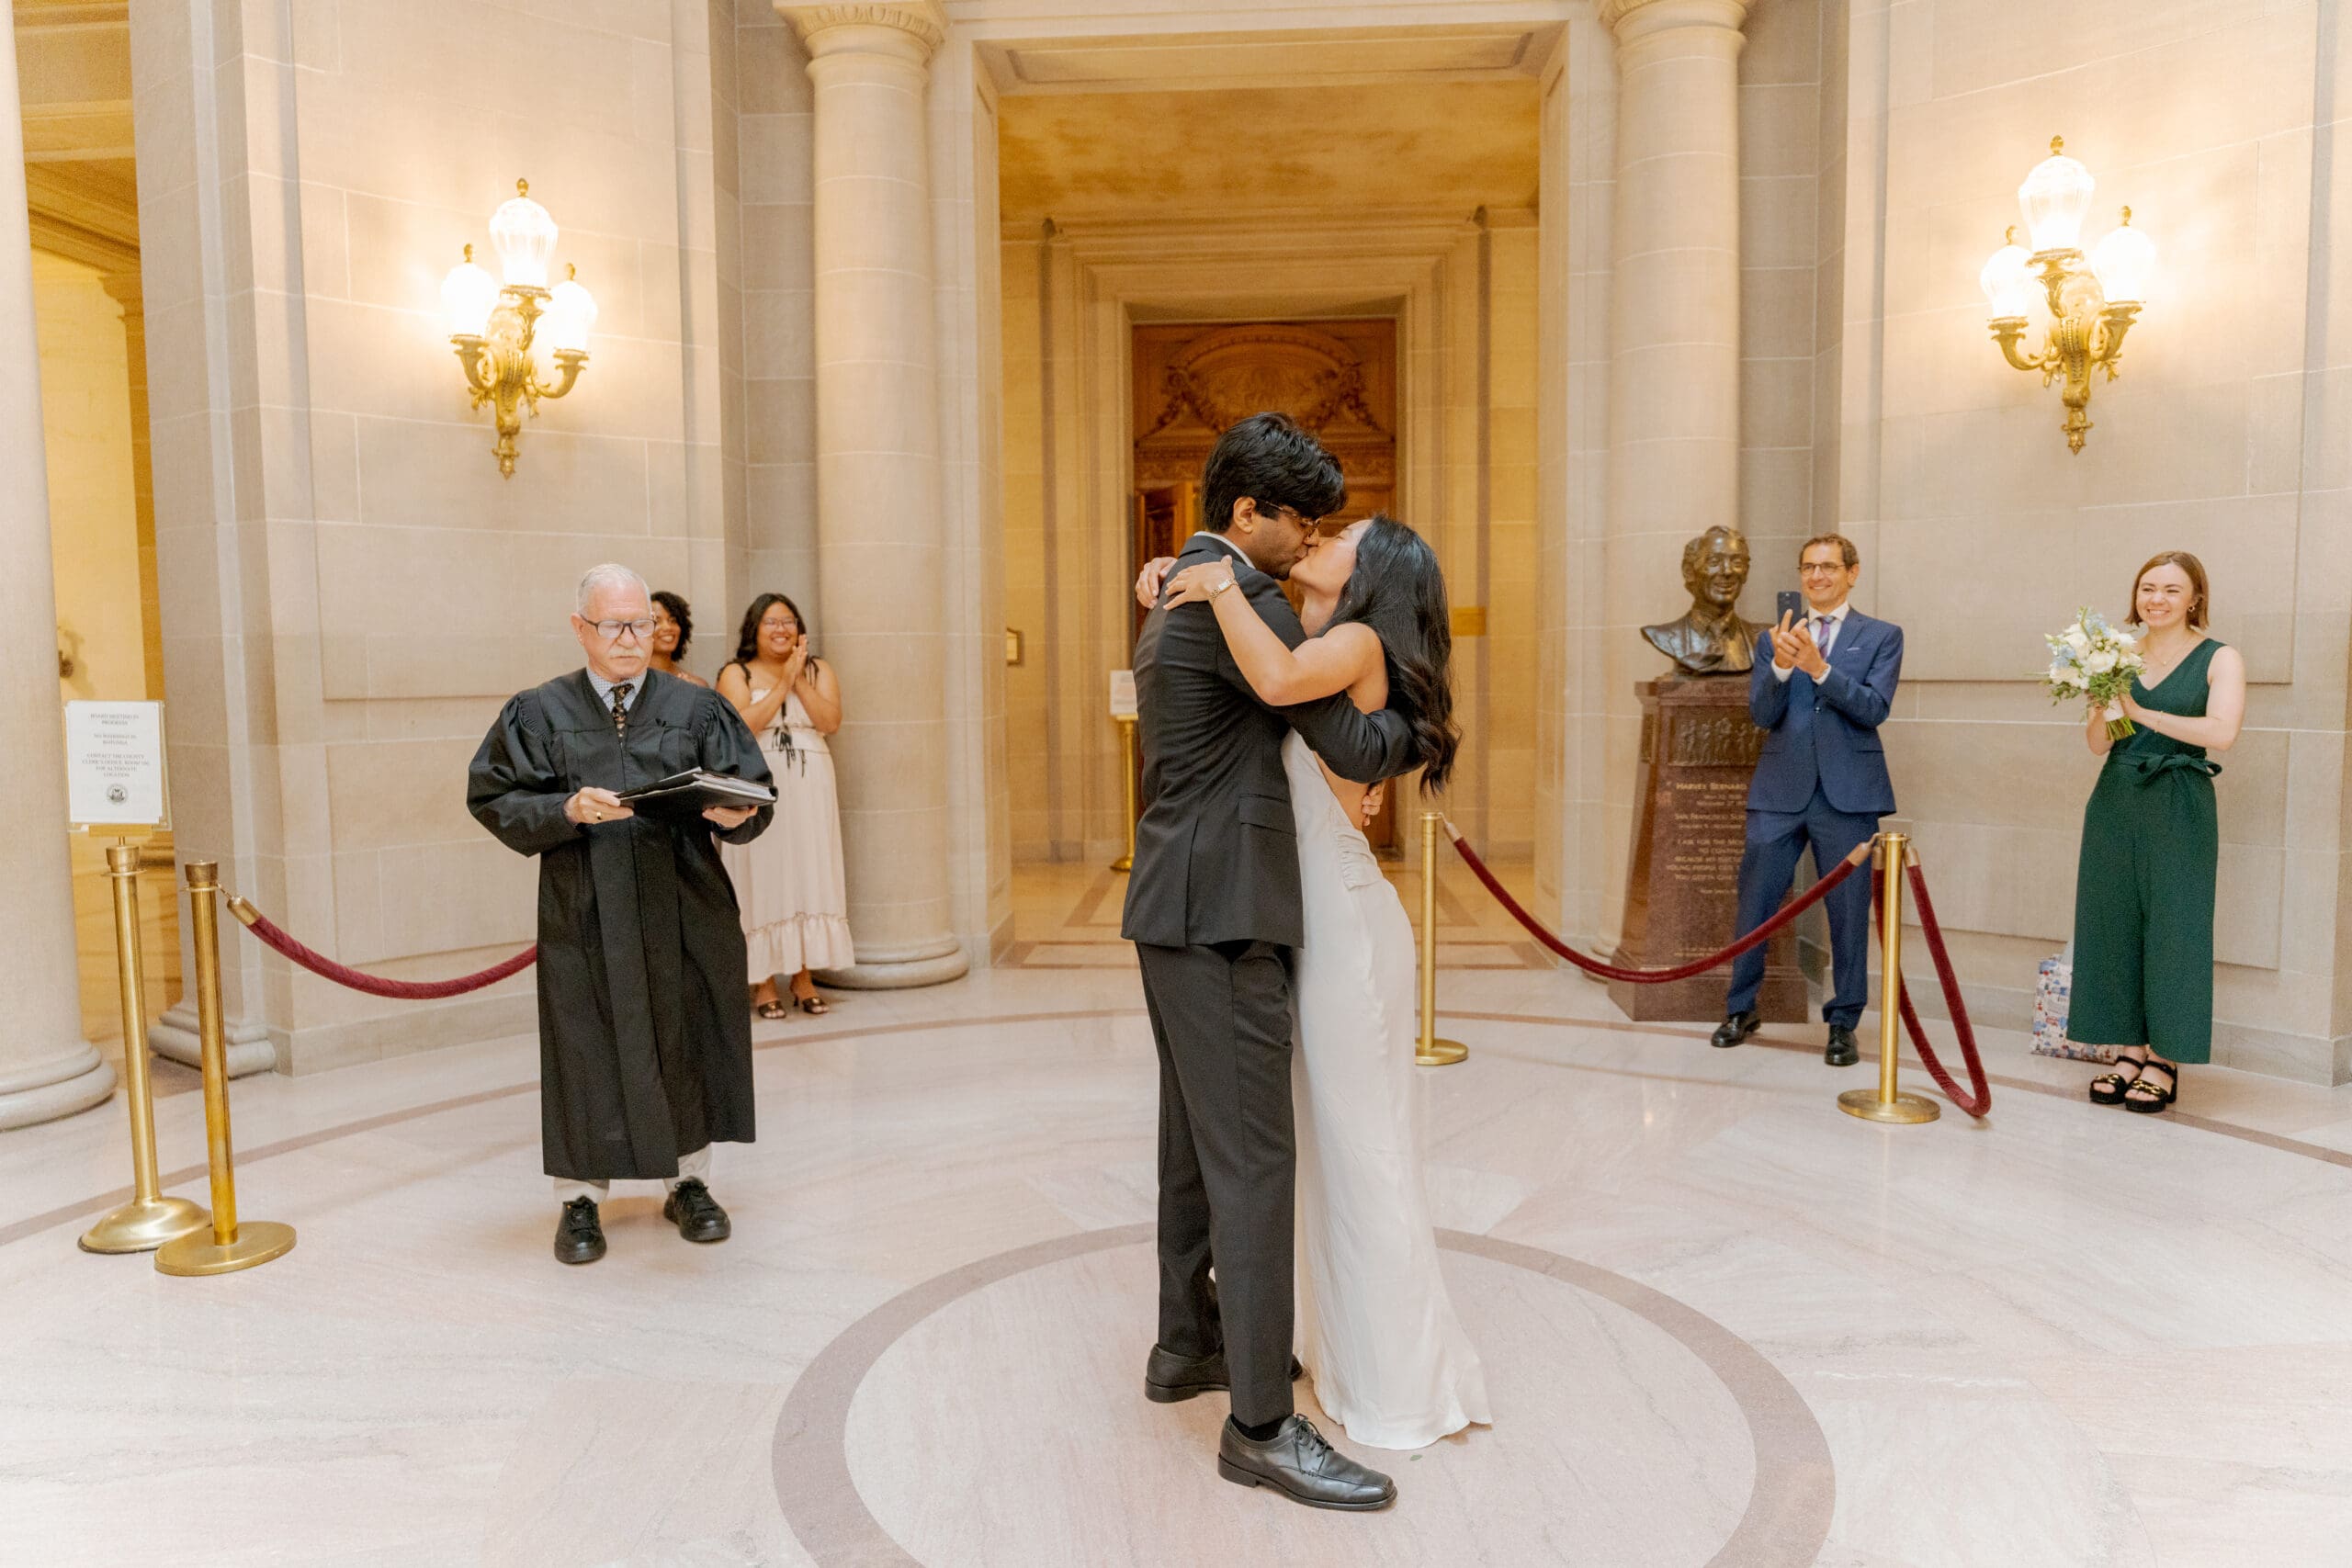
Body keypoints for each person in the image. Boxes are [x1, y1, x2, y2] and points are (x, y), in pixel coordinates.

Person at [1122, 412, 1416, 1511]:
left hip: (1173, 907)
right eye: (1303, 520)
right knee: (1253, 1162)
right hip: (1225, 911)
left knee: (1192, 1151)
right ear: (1249, 513)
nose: (1311, 538)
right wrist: (1409, 707)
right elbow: (1352, 742)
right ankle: (1258, 1424)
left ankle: (1184, 1345)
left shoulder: (1188, 583)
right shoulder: (1227, 593)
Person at [1151, 513, 1492, 1455]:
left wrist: (1215, 581)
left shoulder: (1351, 642)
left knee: (1360, 1144)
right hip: (1309, 924)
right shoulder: (1315, 635)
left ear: (1371, 570)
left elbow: (1269, 679)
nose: (1322, 536)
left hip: (1344, 931)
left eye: (1344, 532)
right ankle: (1337, 1351)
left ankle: (1396, 1379)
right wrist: (1174, 575)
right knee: (1329, 1143)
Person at [468, 563, 773, 1266]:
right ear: (581, 628)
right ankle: (579, 1198)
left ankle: (688, 1182)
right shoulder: (539, 711)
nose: (635, 637)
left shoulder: (695, 706)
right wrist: (563, 808)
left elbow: (750, 790)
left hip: (685, 901)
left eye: (645, 623)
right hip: (586, 905)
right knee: (586, 1040)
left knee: (686, 1030)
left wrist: (737, 812)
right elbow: (492, 797)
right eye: (617, 625)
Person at [1713, 534, 1904, 1066]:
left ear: (1852, 572)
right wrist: (1778, 666)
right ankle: (1741, 1008)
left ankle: (1843, 1023)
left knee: (1846, 914)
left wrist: (1819, 668)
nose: (1817, 577)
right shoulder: (1772, 638)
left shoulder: (1883, 636)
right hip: (1779, 790)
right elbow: (1761, 715)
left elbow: (1873, 708)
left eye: (1828, 567)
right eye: (1808, 568)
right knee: (1755, 903)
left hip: (1848, 796)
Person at [2073, 551, 2244, 1113]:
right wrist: (2103, 703)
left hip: (2181, 798)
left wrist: (2143, 714)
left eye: (2172, 590)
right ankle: (2128, 1050)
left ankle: (2164, 1059)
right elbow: (2102, 743)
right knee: (2115, 923)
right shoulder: (2118, 656)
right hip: (2117, 797)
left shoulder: (2221, 658)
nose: (2157, 599)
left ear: (2195, 597)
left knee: (2176, 927)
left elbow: (2221, 734)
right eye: (2148, 588)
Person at [716, 592, 853, 1018]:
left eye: (789, 621)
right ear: (753, 630)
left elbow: (829, 722)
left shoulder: (818, 669)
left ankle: (803, 976)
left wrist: (800, 678)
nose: (781, 629)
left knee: (809, 871)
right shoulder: (735, 673)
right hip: (761, 781)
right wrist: (781, 683)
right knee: (765, 873)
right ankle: (762, 982)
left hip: (812, 783)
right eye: (771, 622)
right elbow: (743, 727)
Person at [1641, 525, 1770, 676]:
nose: (1727, 571)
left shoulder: (1764, 638)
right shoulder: (1663, 636)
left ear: (1745, 573)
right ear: (1689, 571)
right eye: (1714, 562)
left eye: (1737, 563)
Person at [648, 590, 709, 688]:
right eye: (657, 621)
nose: (668, 627)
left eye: (673, 621)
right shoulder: (627, 683)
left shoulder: (696, 686)